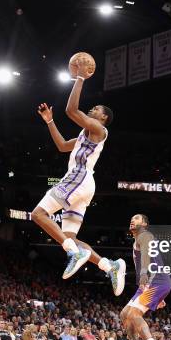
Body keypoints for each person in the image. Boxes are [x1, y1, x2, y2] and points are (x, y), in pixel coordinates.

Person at [31, 61, 125, 296]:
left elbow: (72, 111)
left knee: (38, 215)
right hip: (83, 185)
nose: (92, 110)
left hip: (78, 178)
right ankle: (108, 265)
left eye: (96, 109)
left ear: (103, 118)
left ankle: (74, 251)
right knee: (70, 237)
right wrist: (50, 122)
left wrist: (80, 78)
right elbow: (63, 146)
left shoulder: (99, 130)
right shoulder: (85, 135)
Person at [118, 214, 170, 340]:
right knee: (125, 314)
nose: (132, 220)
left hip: (155, 281)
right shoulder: (138, 239)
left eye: (137, 218)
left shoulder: (145, 235)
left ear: (145, 224)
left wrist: (143, 276)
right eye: (131, 218)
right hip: (153, 282)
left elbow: (147, 256)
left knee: (134, 314)